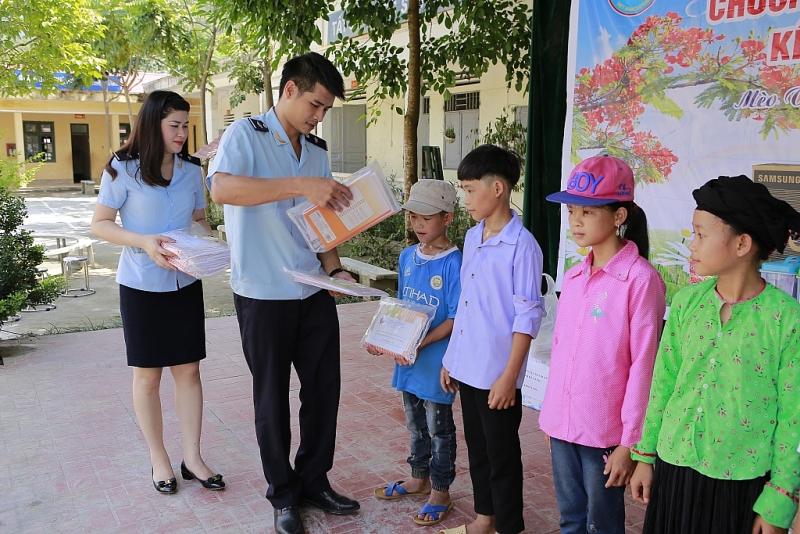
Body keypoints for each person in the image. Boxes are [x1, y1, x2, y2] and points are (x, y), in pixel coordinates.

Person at [206, 52, 360, 534]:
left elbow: (322, 222)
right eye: (315, 104)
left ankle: (315, 480)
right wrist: (299, 184)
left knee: (323, 392)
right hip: (262, 291)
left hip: (311, 289)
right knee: (270, 397)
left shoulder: (315, 150)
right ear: (290, 89)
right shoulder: (244, 134)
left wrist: (336, 269)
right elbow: (223, 190)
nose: (318, 116)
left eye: (325, 110)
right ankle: (283, 494)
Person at [629, 175, 800, 534]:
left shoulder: (786, 318)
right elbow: (663, 383)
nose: (691, 245)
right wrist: (644, 456)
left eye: (701, 234)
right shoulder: (686, 303)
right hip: (675, 468)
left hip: (740, 479)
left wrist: (780, 500)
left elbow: (793, 415)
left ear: (741, 244)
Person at [91, 90, 224, 494]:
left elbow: (199, 220)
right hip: (141, 286)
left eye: (186, 125)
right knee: (147, 377)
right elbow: (100, 223)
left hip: (184, 282)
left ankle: (193, 458)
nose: (182, 133)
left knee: (189, 371)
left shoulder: (190, 170)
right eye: (174, 125)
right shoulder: (122, 168)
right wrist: (145, 241)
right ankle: (159, 458)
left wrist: (213, 243)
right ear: (154, 124)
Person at [539, 155, 666, 533]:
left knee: (603, 523)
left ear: (619, 216)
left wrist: (630, 444)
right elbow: (563, 351)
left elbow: (644, 366)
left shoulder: (640, 280)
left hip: (606, 435)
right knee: (571, 519)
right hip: (564, 427)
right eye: (572, 211)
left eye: (588, 212)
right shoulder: (575, 276)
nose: (575, 221)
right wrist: (554, 418)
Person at [439, 144, 544, 534]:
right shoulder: (472, 237)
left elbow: (527, 316)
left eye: (469, 190)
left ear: (497, 188)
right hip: (469, 367)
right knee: (478, 450)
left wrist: (509, 377)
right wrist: (452, 358)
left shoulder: (522, 246)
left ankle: (509, 527)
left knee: (502, 456)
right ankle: (485, 518)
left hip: (498, 374)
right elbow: (466, 305)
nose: (464, 199)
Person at [371, 180, 462, 527]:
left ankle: (441, 490)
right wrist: (388, 338)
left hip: (436, 363)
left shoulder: (455, 263)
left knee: (440, 428)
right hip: (408, 361)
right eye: (413, 216)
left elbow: (456, 317)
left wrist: (420, 342)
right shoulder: (407, 256)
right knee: (414, 424)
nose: (418, 223)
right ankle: (418, 477)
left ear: (448, 217)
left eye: (426, 216)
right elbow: (402, 308)